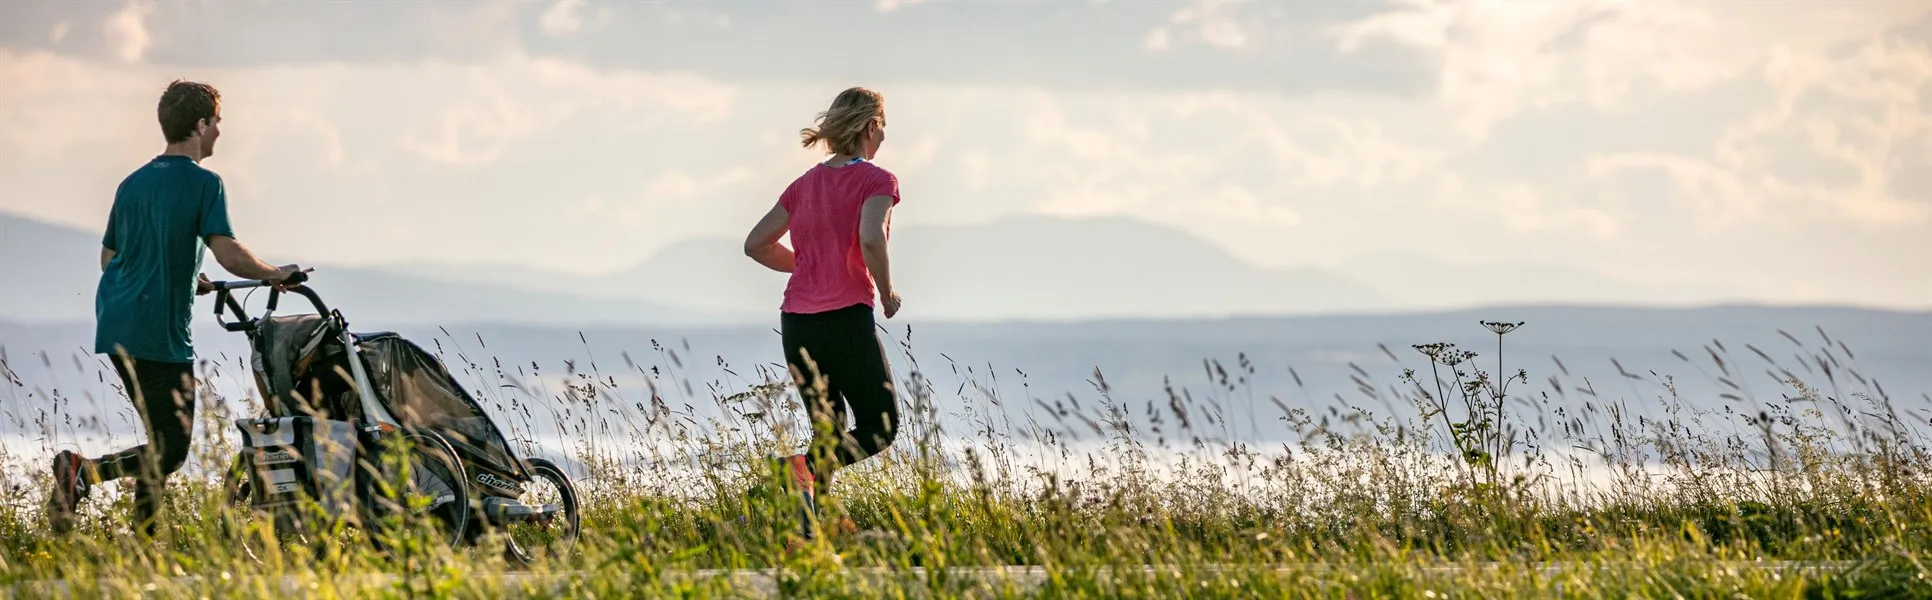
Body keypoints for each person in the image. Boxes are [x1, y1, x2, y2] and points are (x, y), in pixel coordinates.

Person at [47, 79, 305, 537]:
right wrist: (274, 273)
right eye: (218, 123)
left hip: (116, 322)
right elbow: (230, 254)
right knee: (172, 452)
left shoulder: (132, 183)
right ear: (201, 124)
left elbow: (110, 257)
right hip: (157, 331)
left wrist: (188, 277)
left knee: (160, 442)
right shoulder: (205, 183)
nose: (220, 133)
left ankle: (146, 545)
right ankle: (79, 472)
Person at [742, 86, 902, 538]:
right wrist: (888, 292)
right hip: (845, 317)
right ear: (871, 127)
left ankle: (816, 530)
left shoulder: (803, 185)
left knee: (829, 429)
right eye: (883, 125)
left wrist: (806, 263)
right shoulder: (877, 181)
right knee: (880, 424)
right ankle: (796, 469)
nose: (884, 134)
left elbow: (756, 245)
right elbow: (872, 237)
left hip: (797, 322)